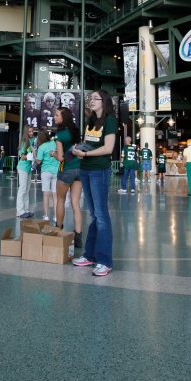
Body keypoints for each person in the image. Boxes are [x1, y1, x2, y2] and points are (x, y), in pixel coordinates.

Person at [71, 90, 118, 277]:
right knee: (94, 214)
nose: (91, 101)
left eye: (95, 99)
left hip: (99, 170)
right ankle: (90, 255)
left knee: (101, 215)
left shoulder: (110, 121)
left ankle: (105, 261)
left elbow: (108, 148)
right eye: (90, 99)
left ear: (104, 102)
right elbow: (88, 141)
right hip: (86, 169)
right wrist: (79, 149)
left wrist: (86, 154)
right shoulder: (91, 120)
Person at [53, 107, 83, 248]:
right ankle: (78, 236)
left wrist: (53, 154)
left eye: (57, 115)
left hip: (66, 170)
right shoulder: (75, 132)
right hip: (79, 169)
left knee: (60, 199)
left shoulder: (60, 135)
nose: (54, 117)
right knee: (75, 204)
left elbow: (60, 158)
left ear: (63, 118)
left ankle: (58, 229)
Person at [36, 130, 60, 223]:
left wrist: (34, 154)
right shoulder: (55, 143)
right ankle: (55, 216)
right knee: (55, 195)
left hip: (46, 172)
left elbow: (38, 161)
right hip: (56, 171)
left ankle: (46, 215)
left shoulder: (41, 147)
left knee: (46, 194)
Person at [15, 126, 35, 219]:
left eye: (32, 131)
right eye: (29, 131)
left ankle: (26, 210)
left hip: (28, 168)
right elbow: (22, 156)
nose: (31, 133)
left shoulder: (32, 141)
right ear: (26, 132)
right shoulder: (24, 142)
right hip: (23, 168)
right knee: (22, 189)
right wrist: (29, 157)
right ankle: (20, 211)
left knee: (27, 189)